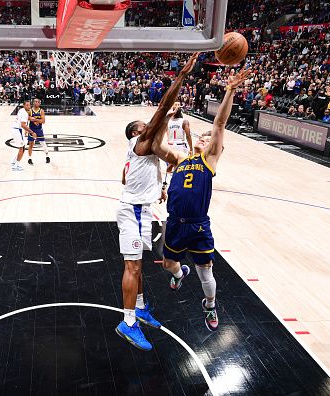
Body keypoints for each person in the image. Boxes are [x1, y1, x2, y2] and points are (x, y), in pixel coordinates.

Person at [151, 67, 251, 332]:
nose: (204, 138)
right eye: (202, 136)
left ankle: (209, 305)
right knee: (170, 265)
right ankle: (178, 274)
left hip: (197, 225)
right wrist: (165, 118)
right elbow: (155, 147)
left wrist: (230, 90)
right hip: (174, 223)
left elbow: (219, 124)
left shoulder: (210, 160)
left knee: (205, 269)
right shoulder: (181, 159)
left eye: (208, 138)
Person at [115, 53, 199, 351]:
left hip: (141, 210)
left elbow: (174, 157)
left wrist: (161, 184)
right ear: (138, 132)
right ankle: (127, 322)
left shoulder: (148, 148)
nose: (147, 123)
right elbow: (161, 110)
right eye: (144, 123)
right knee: (133, 267)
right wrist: (181, 77)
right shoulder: (141, 141)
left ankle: (138, 308)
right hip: (133, 212)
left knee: (139, 266)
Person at [10, 101, 34, 171]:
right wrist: (31, 132)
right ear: (24, 105)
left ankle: (14, 161)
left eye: (29, 105)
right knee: (22, 148)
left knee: (22, 146)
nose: (29, 107)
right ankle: (16, 165)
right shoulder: (25, 113)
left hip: (15, 129)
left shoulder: (21, 110)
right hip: (18, 130)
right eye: (27, 105)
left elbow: (25, 118)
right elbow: (23, 125)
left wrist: (32, 119)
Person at [27, 99, 50, 165]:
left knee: (43, 143)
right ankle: (29, 158)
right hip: (31, 129)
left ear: (39, 103)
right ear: (33, 103)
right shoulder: (30, 111)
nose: (36, 103)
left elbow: (43, 121)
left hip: (39, 129)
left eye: (38, 102)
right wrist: (34, 121)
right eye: (35, 102)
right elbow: (27, 118)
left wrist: (34, 119)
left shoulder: (41, 111)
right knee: (31, 144)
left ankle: (47, 156)